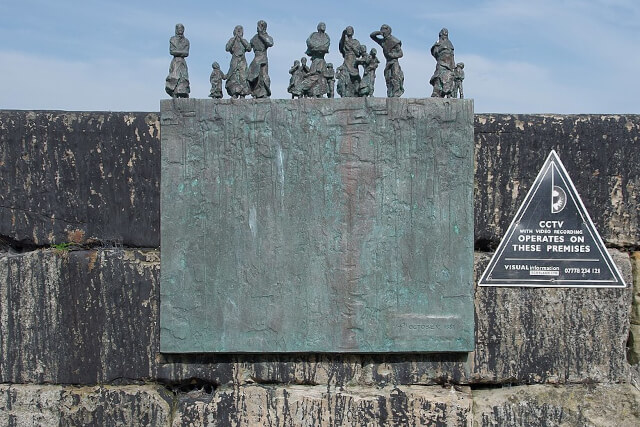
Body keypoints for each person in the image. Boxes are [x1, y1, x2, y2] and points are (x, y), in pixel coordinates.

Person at [370, 24, 404, 97]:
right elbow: (372, 36)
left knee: (395, 76)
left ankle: (396, 93)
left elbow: (401, 53)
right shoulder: (383, 41)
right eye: (382, 30)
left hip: (394, 62)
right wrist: (379, 32)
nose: (383, 32)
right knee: (388, 78)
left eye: (384, 30)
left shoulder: (394, 41)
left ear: (388, 31)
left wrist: (393, 55)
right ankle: (390, 93)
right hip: (388, 63)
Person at [301, 22, 331, 97]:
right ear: (318, 27)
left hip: (321, 59)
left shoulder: (326, 37)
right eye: (322, 25)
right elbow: (310, 43)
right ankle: (305, 90)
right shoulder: (314, 35)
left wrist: (317, 48)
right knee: (313, 75)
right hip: (315, 59)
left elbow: (325, 47)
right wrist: (318, 48)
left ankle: (320, 93)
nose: (324, 26)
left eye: (324, 25)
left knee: (322, 77)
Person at [248, 20, 274, 98]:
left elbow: (270, 43)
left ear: (264, 27)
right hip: (256, 58)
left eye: (260, 25)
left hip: (263, 57)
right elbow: (249, 47)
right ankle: (255, 92)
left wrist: (261, 35)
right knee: (253, 76)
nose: (258, 27)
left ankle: (263, 93)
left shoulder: (266, 36)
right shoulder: (254, 37)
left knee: (263, 76)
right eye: (258, 25)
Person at [225, 25, 251, 98]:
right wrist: (234, 39)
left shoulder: (244, 40)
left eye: (240, 30)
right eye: (237, 29)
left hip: (242, 61)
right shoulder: (232, 40)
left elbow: (249, 48)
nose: (239, 31)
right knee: (233, 77)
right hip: (234, 60)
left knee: (243, 77)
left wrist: (241, 39)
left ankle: (243, 94)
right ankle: (234, 93)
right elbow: (227, 48)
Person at [165, 23, 190, 98]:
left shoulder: (186, 41)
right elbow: (172, 51)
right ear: (176, 30)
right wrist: (181, 52)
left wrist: (178, 52)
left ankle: (183, 93)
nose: (180, 30)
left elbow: (186, 53)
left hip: (182, 62)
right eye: (179, 29)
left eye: (182, 29)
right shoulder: (172, 39)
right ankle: (174, 93)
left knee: (184, 78)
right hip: (175, 61)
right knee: (174, 77)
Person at [429, 28, 455, 98]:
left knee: (449, 77)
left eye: (446, 34)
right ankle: (436, 92)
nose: (445, 36)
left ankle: (448, 93)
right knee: (438, 76)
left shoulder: (449, 43)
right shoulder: (438, 43)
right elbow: (435, 52)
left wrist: (453, 65)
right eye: (443, 34)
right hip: (441, 62)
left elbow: (452, 55)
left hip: (449, 64)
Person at [338, 26, 363, 97]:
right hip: (346, 61)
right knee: (344, 78)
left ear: (353, 32)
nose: (349, 31)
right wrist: (343, 35)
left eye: (350, 29)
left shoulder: (356, 42)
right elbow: (341, 46)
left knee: (355, 78)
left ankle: (357, 92)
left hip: (353, 62)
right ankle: (344, 93)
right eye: (348, 30)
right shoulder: (344, 41)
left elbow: (358, 53)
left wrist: (352, 47)